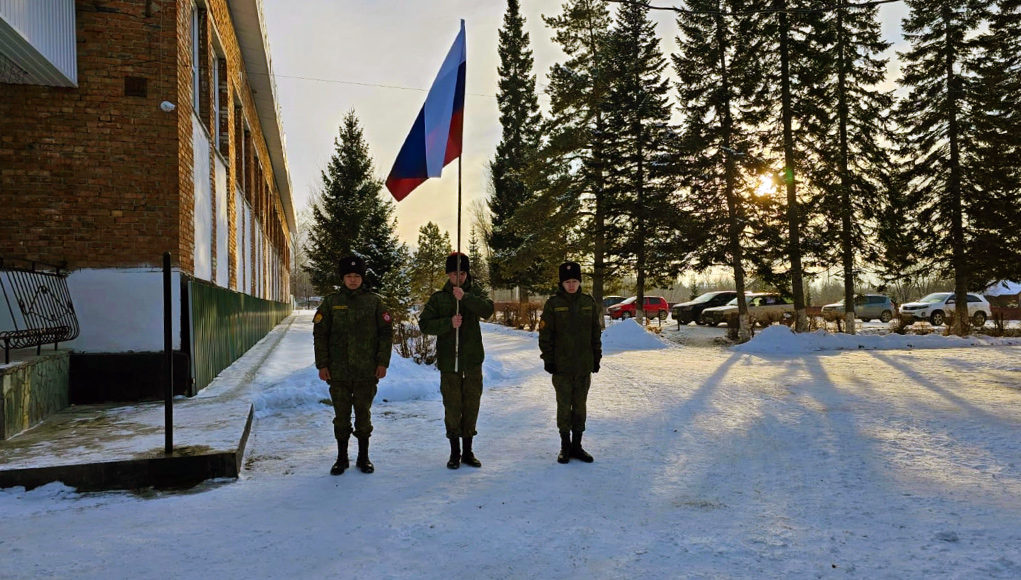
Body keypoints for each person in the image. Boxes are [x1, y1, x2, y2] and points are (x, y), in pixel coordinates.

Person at [313, 255, 393, 475]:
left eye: (357, 275)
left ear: (362, 277)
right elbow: (320, 335)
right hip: (337, 372)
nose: (353, 280)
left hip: (366, 371)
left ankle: (363, 457)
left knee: (363, 415)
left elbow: (386, 334)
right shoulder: (331, 302)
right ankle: (341, 458)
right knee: (341, 416)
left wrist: (382, 362)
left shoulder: (374, 302)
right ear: (342, 278)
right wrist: (322, 364)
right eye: (348, 276)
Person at [418, 252, 495, 469]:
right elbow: (425, 324)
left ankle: (468, 451)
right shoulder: (439, 298)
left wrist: (466, 298)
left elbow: (488, 310)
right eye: (454, 273)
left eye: (462, 273)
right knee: (452, 406)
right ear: (448, 274)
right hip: (449, 361)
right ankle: (454, 452)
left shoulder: (475, 292)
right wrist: (448, 323)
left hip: (471, 361)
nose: (458, 277)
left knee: (471, 405)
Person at [538, 261, 602, 464]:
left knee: (580, 406)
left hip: (583, 365)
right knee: (564, 406)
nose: (572, 285)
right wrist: (548, 360)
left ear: (579, 281)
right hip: (561, 367)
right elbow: (545, 335)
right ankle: (565, 446)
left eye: (575, 281)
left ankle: (578, 446)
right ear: (562, 283)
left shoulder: (588, 302)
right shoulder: (553, 304)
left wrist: (596, 357)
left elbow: (595, 332)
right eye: (568, 281)